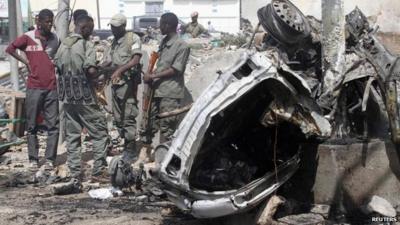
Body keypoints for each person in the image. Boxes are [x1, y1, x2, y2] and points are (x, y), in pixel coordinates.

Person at [55, 15, 109, 182]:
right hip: (84, 97)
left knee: (72, 135)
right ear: (84, 28)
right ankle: (99, 172)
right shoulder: (87, 45)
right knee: (100, 132)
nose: (91, 33)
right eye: (90, 30)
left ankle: (74, 171)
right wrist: (103, 69)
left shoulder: (62, 45)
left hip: (67, 97)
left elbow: (57, 67)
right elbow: (91, 71)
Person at [6, 9, 60, 170]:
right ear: (39, 22)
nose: (50, 24)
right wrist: (26, 62)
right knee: (32, 126)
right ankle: (33, 159)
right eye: (47, 21)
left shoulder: (55, 38)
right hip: (34, 87)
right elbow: (10, 49)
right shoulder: (28, 37)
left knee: (53, 126)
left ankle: (50, 159)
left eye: (51, 21)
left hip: (51, 87)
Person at [142, 12, 190, 144]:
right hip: (157, 90)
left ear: (168, 25)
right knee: (150, 122)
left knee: (167, 127)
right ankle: (150, 153)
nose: (159, 27)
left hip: (170, 92)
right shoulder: (164, 42)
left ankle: (166, 159)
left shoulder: (182, 45)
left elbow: (176, 69)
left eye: (161, 24)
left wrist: (153, 76)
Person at [101, 13, 142, 164]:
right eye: (112, 26)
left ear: (123, 26)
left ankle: (131, 151)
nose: (113, 29)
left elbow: (136, 59)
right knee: (118, 118)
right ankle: (126, 145)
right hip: (116, 85)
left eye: (116, 27)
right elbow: (110, 60)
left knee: (128, 116)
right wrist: (102, 68)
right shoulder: (114, 42)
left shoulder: (133, 38)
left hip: (128, 84)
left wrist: (120, 70)